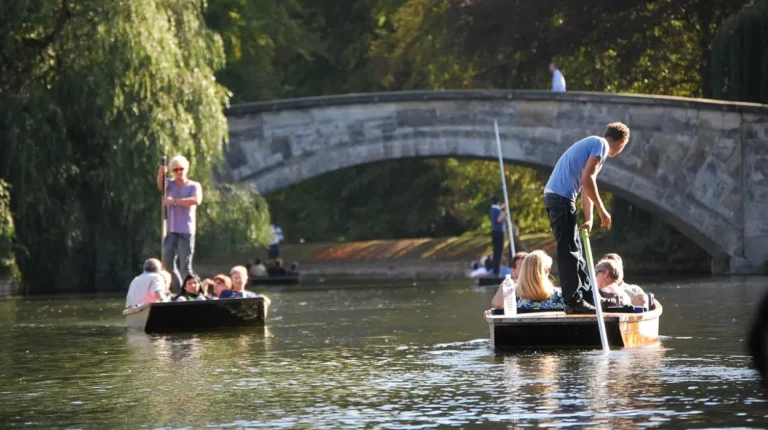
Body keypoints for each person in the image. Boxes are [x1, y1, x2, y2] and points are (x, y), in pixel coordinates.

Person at [543, 122, 630, 314]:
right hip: (560, 199)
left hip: (561, 198)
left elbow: (586, 189)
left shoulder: (594, 146)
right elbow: (587, 180)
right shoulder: (601, 145)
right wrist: (602, 210)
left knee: (578, 252)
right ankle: (572, 302)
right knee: (569, 251)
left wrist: (589, 219)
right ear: (622, 143)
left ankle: (590, 296)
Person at [157, 155, 203, 294]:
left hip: (186, 230)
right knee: (167, 264)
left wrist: (174, 201)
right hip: (171, 230)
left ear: (186, 169)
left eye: (181, 169)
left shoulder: (194, 186)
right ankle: (179, 291)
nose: (179, 172)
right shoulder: (169, 184)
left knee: (185, 266)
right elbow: (160, 185)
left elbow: (196, 200)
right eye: (175, 170)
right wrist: (161, 173)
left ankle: (193, 292)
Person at [492, 250, 564, 310]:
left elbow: (497, 304)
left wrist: (507, 283)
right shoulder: (560, 296)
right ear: (547, 271)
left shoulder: (513, 295)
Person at [489, 195, 506, 276]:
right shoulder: (495, 210)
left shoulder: (493, 209)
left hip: (495, 232)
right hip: (498, 232)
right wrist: (503, 210)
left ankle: (496, 271)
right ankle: (496, 271)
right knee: (498, 252)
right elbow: (499, 219)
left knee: (497, 252)